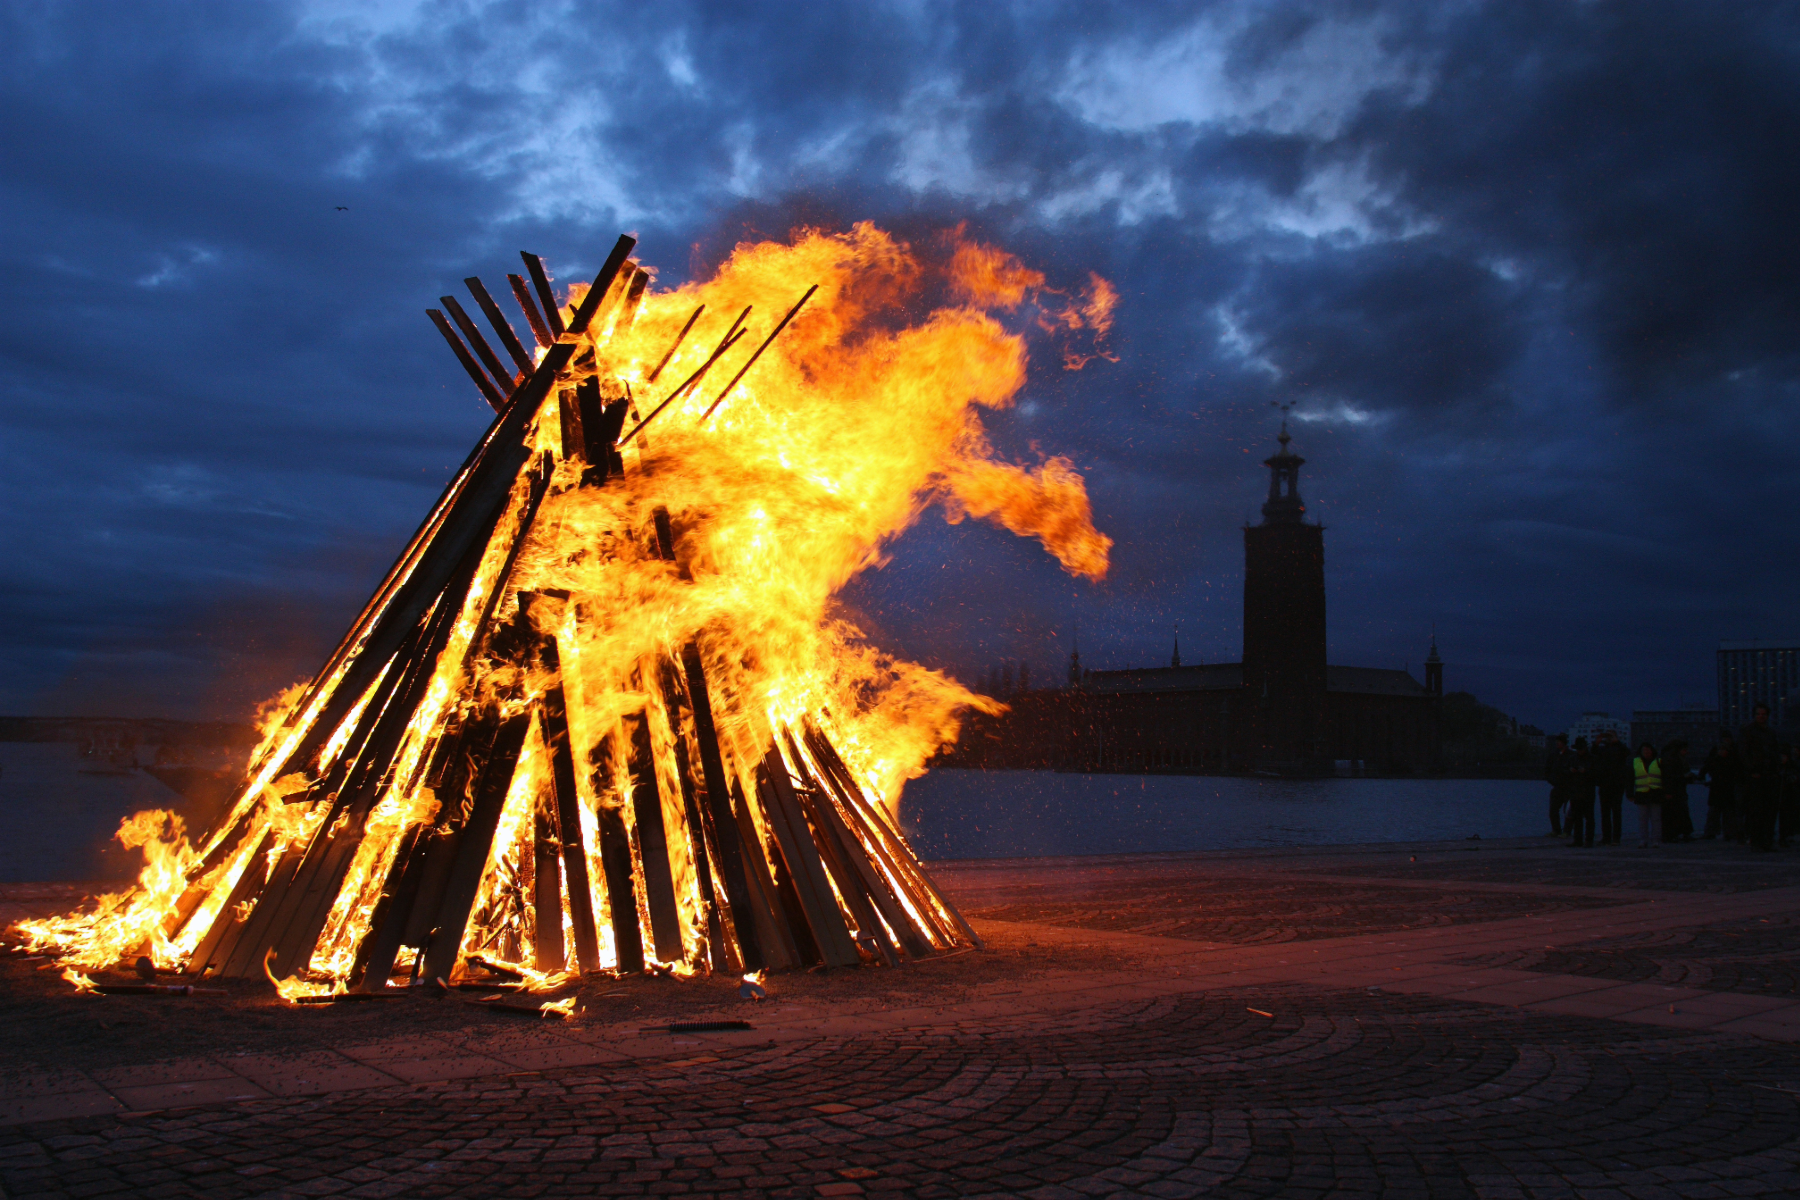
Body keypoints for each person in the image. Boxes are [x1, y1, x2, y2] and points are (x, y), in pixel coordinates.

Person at [1742, 703, 1780, 851]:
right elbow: (1744, 753)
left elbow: (1775, 751)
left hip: (1769, 774)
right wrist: (1751, 770)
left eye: (1763, 714)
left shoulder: (1770, 732)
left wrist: (1776, 769)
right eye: (1758, 714)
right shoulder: (1748, 731)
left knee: (1769, 810)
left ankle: (1767, 841)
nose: (1761, 716)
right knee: (1756, 810)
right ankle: (1757, 841)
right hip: (1756, 775)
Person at [1594, 728, 1630, 845]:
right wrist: (1597, 742)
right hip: (1604, 784)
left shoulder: (1620, 748)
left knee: (1616, 812)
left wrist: (1617, 741)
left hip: (1617, 784)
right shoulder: (1603, 749)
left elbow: (1626, 753)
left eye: (1611, 736)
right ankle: (1606, 837)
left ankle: (1616, 838)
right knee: (1605, 813)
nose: (1609, 738)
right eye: (1608, 736)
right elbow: (1593, 754)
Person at [1702, 732, 1739, 841]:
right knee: (1717, 813)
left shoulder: (1729, 760)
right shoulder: (1718, 760)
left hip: (1724, 789)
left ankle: (1726, 833)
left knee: (1726, 813)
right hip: (1720, 789)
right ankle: (1715, 832)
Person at [1566, 736, 1596, 847]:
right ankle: (1578, 839)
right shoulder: (1573, 758)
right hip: (1575, 791)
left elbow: (1596, 774)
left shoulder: (1592, 759)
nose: (1579, 751)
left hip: (1587, 791)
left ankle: (1589, 840)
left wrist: (1586, 772)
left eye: (1581, 749)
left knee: (1589, 817)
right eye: (1578, 749)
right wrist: (1570, 771)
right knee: (1577, 817)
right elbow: (1565, 772)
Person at [1661, 739, 1693, 842]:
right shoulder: (1672, 759)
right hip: (1675, 789)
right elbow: (1669, 776)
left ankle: (1678, 833)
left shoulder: (1671, 757)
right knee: (1675, 812)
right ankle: (1674, 834)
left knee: (1678, 812)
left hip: (1677, 789)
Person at [1632, 741, 1663, 848]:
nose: (1646, 752)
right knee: (1643, 819)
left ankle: (1655, 840)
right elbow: (1630, 778)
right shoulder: (1636, 762)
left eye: (1648, 750)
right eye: (1644, 750)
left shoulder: (1659, 761)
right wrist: (1630, 792)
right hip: (1642, 794)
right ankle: (1643, 840)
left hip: (1655, 793)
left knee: (1655, 819)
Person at [1544, 733, 1573, 836]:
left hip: (1568, 787)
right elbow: (1547, 768)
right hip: (1557, 786)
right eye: (1557, 742)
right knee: (1553, 810)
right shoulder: (1553, 755)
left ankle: (1566, 831)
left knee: (1568, 811)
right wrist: (1550, 779)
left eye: (1559, 742)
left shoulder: (1570, 755)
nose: (1557, 744)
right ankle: (1556, 830)